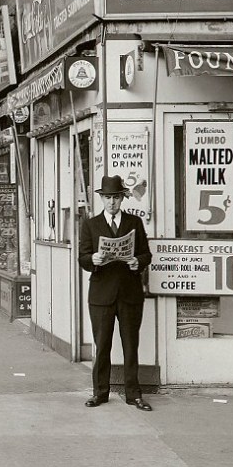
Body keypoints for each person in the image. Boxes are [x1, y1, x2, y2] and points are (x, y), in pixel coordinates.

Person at [78, 175, 154, 411]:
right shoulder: (91, 224)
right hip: (101, 294)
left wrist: (136, 262)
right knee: (102, 345)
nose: (112, 202)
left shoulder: (134, 223)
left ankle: (134, 394)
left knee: (131, 345)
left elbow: (146, 255)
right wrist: (93, 259)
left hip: (129, 293)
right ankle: (100, 392)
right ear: (101, 198)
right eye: (108, 198)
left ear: (122, 198)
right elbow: (82, 257)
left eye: (116, 198)